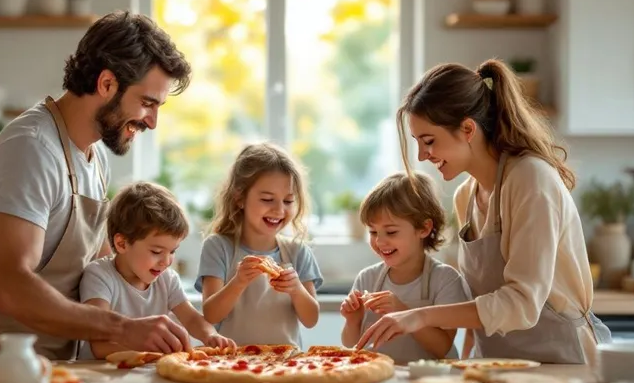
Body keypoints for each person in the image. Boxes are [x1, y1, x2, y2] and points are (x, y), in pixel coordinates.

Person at [0, 11, 194, 360]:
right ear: (107, 84)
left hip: (58, 363)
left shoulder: (94, 158)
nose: (153, 123)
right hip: (1, 364)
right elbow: (7, 287)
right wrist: (122, 327)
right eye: (147, 103)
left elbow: (101, 268)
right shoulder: (32, 149)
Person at [357, 58, 612, 364]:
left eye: (429, 141)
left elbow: (521, 303)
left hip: (560, 362)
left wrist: (418, 317)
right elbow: (479, 305)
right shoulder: (467, 196)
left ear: (467, 129)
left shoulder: (531, 178)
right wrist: (464, 364)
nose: (423, 155)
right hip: (497, 365)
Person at [77, 182, 235, 360]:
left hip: (146, 374)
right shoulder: (99, 275)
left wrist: (211, 335)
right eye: (156, 252)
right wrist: (151, 350)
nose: (166, 261)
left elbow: (191, 319)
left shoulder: (167, 279)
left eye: (173, 251)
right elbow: (100, 345)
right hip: (100, 375)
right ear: (122, 243)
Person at [195, 143, 323, 347]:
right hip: (231, 363)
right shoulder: (218, 246)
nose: (279, 210)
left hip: (286, 363)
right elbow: (211, 315)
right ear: (239, 198)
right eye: (267, 199)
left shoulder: (298, 251)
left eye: (288, 201)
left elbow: (311, 319)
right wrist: (239, 282)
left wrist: (296, 289)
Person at [340, 172, 467, 364]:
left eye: (391, 231)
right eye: (373, 232)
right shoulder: (368, 278)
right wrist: (353, 320)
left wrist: (402, 311)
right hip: (381, 378)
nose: (380, 241)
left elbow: (442, 348)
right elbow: (351, 345)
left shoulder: (445, 279)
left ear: (424, 229)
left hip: (429, 381)